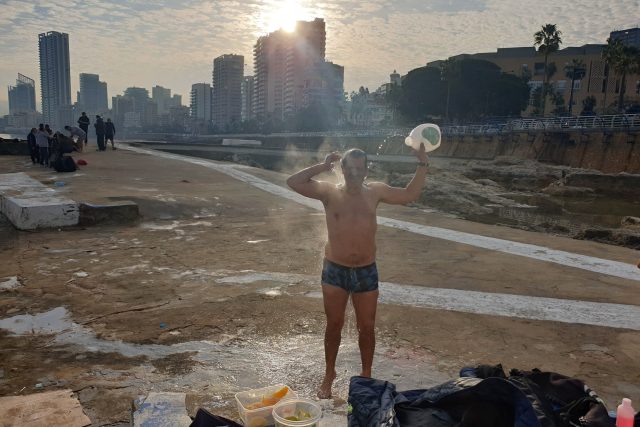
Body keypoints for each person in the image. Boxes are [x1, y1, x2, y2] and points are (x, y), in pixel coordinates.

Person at [286, 144, 428, 399]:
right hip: (334, 270)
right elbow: (293, 181)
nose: (355, 174)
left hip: (365, 270)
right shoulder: (329, 192)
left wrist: (422, 163)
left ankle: (366, 375)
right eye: (350, 169)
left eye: (360, 169)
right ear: (342, 169)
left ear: (366, 170)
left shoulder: (375, 192)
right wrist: (321, 166)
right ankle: (329, 373)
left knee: (367, 327)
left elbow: (410, 195)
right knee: (334, 325)